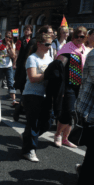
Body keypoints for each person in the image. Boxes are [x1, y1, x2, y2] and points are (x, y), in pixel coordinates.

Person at [21, 33, 53, 162]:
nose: (49, 47)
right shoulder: (32, 58)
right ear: (39, 44)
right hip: (31, 95)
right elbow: (33, 78)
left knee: (47, 122)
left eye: (50, 44)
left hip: (45, 94)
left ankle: (27, 137)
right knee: (33, 124)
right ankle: (29, 150)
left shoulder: (49, 58)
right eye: (47, 44)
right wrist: (49, 74)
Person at [53, 26, 87, 148]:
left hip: (81, 86)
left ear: (85, 38)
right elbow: (58, 67)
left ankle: (65, 138)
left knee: (73, 113)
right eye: (76, 36)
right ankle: (57, 134)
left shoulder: (83, 49)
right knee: (69, 110)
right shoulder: (67, 48)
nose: (78, 38)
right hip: (68, 85)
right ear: (72, 37)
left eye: (81, 36)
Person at [74, 30, 94, 184]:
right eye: (79, 36)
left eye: (83, 36)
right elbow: (76, 77)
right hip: (90, 111)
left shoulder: (89, 52)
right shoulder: (70, 49)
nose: (81, 39)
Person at [0, 30, 17, 106]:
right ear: (4, 36)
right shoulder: (0, 43)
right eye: (6, 37)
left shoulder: (12, 45)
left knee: (10, 82)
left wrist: (9, 48)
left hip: (8, 65)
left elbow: (13, 56)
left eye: (9, 37)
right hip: (0, 65)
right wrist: (6, 55)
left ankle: (14, 100)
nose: (8, 38)